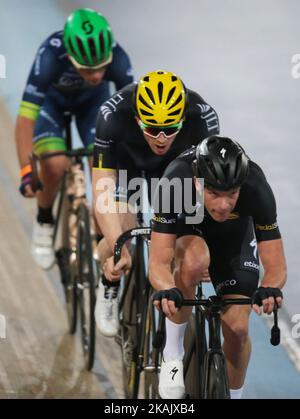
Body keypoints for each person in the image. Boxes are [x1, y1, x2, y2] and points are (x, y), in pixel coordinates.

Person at [149, 135, 287, 399]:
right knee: (194, 261)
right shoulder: (174, 182)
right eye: (214, 193)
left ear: (241, 186)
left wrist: (270, 288)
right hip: (189, 228)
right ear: (197, 182)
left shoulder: (257, 186)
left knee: (238, 328)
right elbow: (158, 262)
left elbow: (276, 265)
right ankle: (173, 354)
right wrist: (168, 288)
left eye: (232, 194)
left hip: (233, 237)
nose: (224, 205)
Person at [92, 70, 220, 337]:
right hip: (129, 169)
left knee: (182, 241)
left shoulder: (203, 119)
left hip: (176, 171)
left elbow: (210, 192)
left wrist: (208, 244)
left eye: (170, 129)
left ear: (183, 119)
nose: (161, 138)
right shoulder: (111, 115)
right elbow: (102, 192)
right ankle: (108, 283)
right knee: (121, 230)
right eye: (151, 129)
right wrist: (118, 247)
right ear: (137, 118)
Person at [15, 8, 133, 270]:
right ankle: (44, 219)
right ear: (70, 55)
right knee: (54, 165)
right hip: (52, 104)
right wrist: (27, 170)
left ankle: (101, 231)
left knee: (101, 167)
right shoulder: (49, 55)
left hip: (93, 104)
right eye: (88, 69)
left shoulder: (119, 59)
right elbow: (25, 120)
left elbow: (129, 117)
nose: (97, 76)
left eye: (102, 67)